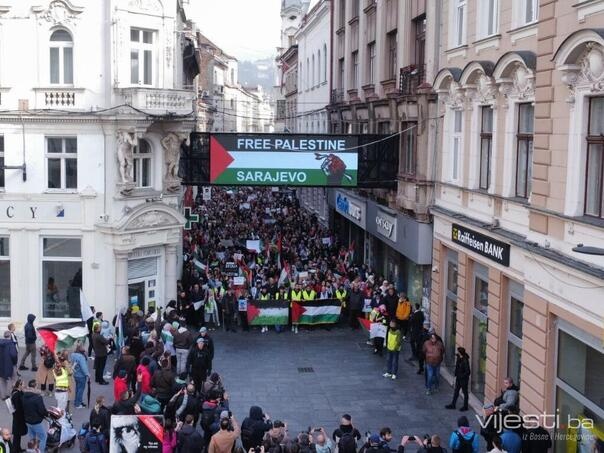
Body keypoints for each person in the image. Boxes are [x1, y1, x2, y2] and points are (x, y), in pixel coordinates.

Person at [22, 380, 48, 453]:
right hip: (36, 422)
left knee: (32, 437)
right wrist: (47, 414)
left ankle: (32, 450)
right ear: (35, 386)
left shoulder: (24, 395)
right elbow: (42, 410)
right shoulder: (37, 397)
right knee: (43, 437)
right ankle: (41, 451)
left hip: (27, 421)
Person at [445, 347, 470, 411]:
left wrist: (461, 376)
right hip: (459, 378)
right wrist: (456, 375)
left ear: (460, 352)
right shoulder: (459, 358)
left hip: (463, 380)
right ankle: (453, 404)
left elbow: (468, 372)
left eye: (458, 351)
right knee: (456, 392)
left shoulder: (465, 360)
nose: (457, 352)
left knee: (465, 393)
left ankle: (465, 406)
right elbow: (457, 367)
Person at [69, 344, 89, 409]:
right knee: (80, 390)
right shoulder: (81, 357)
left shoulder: (73, 355)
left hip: (76, 374)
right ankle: (78, 404)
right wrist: (87, 374)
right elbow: (84, 367)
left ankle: (78, 401)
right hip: (81, 375)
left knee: (78, 388)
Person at [11, 379, 27, 453]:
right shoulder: (17, 395)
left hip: (17, 417)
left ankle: (18, 448)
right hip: (18, 418)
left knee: (18, 434)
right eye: (23, 384)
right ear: (19, 385)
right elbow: (18, 407)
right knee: (17, 435)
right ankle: (15, 450)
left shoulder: (17, 392)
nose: (24, 385)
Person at [0, 331, 17, 399]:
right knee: (9, 379)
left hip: (1, 365)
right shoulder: (11, 344)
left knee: (1, 380)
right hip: (9, 365)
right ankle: (8, 394)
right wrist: (14, 363)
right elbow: (13, 355)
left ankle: (3, 396)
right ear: (10, 336)